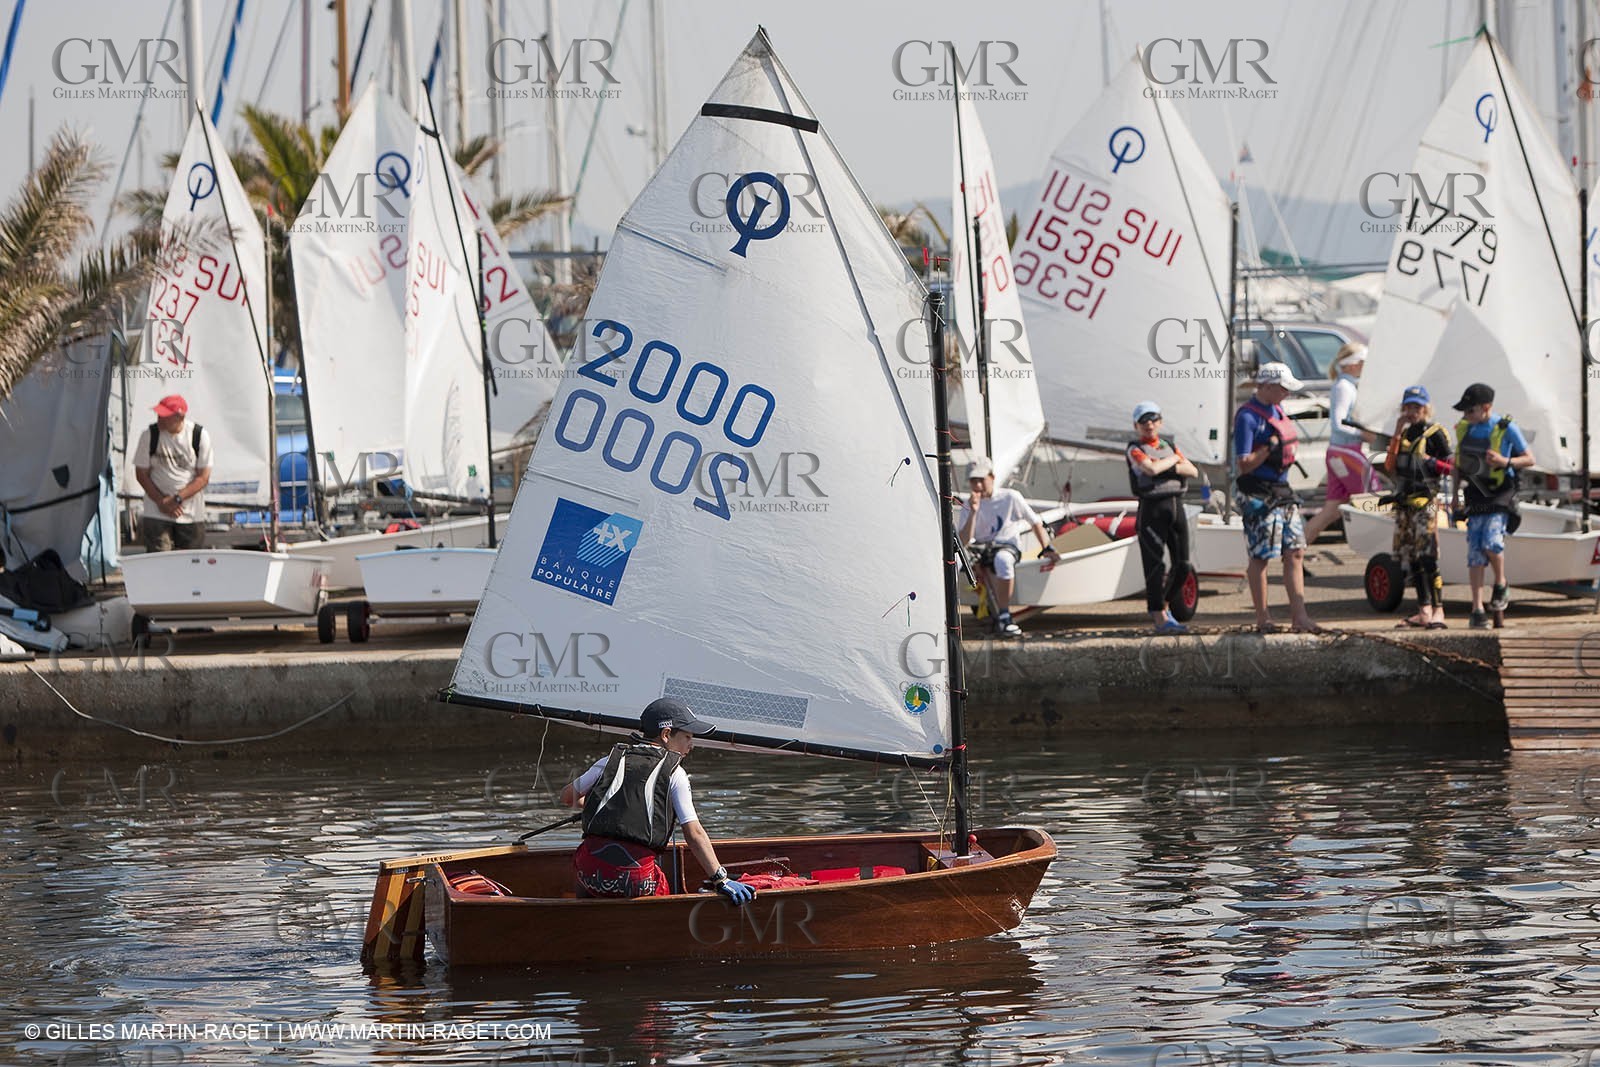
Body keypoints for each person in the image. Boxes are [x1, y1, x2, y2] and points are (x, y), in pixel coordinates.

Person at [560, 697, 755, 906]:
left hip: (589, 874)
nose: (691, 744)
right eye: (687, 736)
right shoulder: (675, 773)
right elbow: (694, 832)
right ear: (666, 734)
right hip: (635, 881)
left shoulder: (610, 760)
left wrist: (608, 809)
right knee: (662, 886)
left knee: (588, 860)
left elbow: (567, 797)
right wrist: (720, 878)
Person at [1233, 363, 1318, 633]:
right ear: (1266, 387)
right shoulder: (1247, 417)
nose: (1287, 394)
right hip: (1257, 492)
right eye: (1283, 388)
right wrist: (1268, 448)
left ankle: (1299, 617)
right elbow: (1243, 464)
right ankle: (1263, 618)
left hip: (1281, 491)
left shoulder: (1278, 408)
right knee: (1261, 556)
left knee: (1295, 552)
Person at [1451, 382, 1535, 629]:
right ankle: (1477, 609)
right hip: (1476, 493)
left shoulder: (1506, 428)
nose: (1465, 415)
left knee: (1491, 541)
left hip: (1500, 493)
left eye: (1470, 411)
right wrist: (1454, 494)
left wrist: (1504, 460)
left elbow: (1530, 459)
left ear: (1485, 408)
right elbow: (1457, 464)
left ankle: (1500, 583)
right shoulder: (1465, 429)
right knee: (1475, 551)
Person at [958, 457, 1059, 638]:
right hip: (980, 548)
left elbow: (1035, 523)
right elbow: (964, 541)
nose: (978, 485)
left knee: (1002, 560)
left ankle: (1004, 614)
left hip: (1006, 546)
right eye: (974, 481)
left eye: (982, 479)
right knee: (955, 562)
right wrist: (973, 511)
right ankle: (948, 614)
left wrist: (1048, 548)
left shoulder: (1010, 497)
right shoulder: (968, 504)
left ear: (992, 477)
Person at [1383, 386, 1453, 628]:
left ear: (1426, 408)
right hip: (1405, 504)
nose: (1413, 412)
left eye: (1417, 407)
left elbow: (1453, 467)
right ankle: (1422, 609)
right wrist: (1397, 430)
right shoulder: (1404, 434)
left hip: (1427, 503)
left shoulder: (1436, 434)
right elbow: (1390, 466)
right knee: (1410, 556)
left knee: (1428, 556)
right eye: (1409, 407)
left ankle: (1438, 609)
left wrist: (1431, 462)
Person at [1125, 401, 1198, 635]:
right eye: (1144, 421)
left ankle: (1165, 605)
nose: (1149, 424)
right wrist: (1175, 462)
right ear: (1136, 425)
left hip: (1176, 507)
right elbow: (1150, 470)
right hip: (1152, 510)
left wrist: (1168, 463)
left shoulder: (1170, 446)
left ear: (1160, 422)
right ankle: (1158, 616)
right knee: (1156, 566)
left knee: (1183, 565)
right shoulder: (1134, 448)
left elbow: (1193, 471)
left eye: (1153, 419)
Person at [1302, 343, 1377, 545]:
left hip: (1338, 452)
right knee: (1373, 495)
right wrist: (1365, 435)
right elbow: (1338, 424)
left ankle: (1295, 553)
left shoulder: (1344, 385)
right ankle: (1377, 545)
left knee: (1331, 510)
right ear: (1352, 365)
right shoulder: (1345, 387)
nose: (1364, 367)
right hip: (1346, 451)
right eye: (1362, 363)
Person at [132, 394, 213, 552]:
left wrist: (177, 499)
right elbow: (141, 473)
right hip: (156, 512)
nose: (159, 418)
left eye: (164, 415)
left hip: (190, 513)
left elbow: (203, 478)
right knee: (159, 563)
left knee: (191, 563)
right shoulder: (149, 435)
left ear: (179, 416)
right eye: (158, 414)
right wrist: (161, 501)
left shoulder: (199, 435)